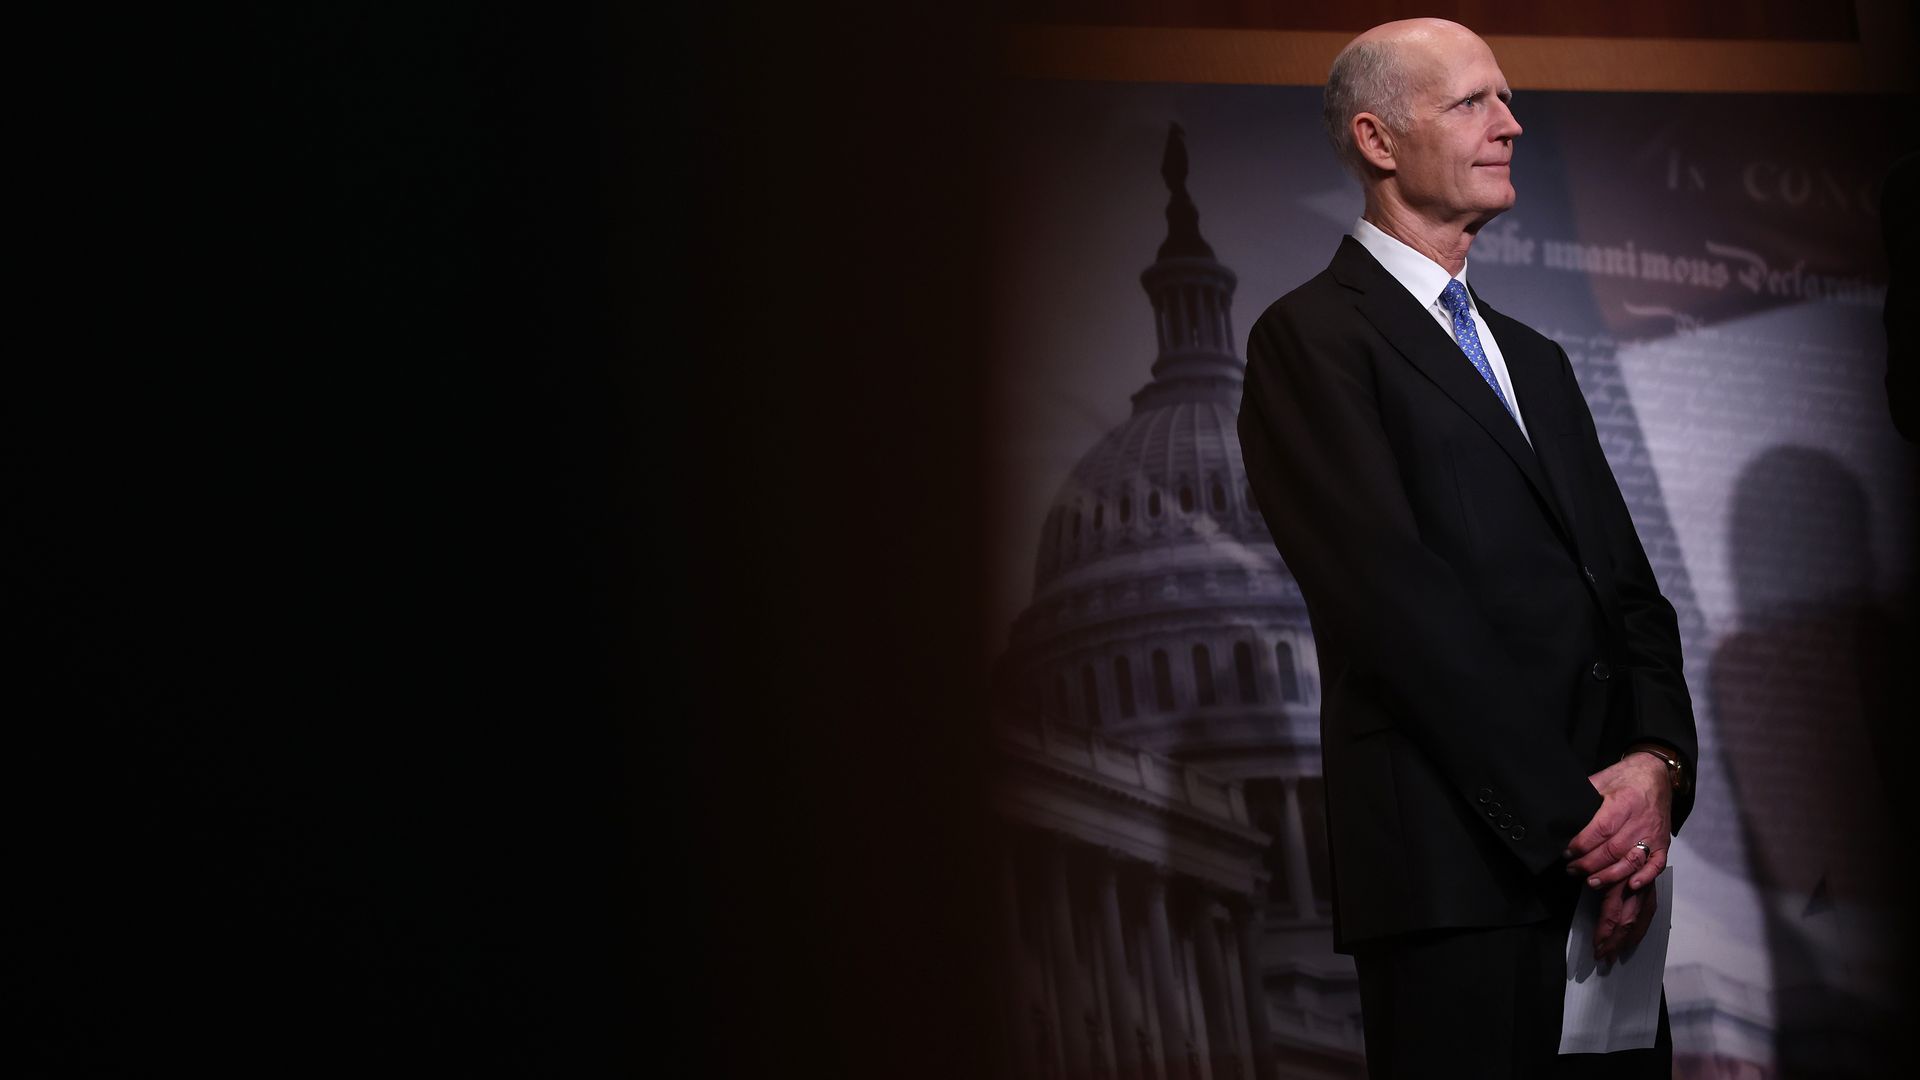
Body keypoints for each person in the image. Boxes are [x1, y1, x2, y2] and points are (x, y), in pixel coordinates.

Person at [1234, 19, 1698, 1078]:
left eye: (1507, 98)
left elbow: (1627, 593)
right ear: (1378, 139)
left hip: (1614, 877)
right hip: (1460, 882)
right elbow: (1396, 609)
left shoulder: (1534, 357)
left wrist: (1657, 771)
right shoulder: (1307, 340)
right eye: (1473, 103)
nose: (1511, 124)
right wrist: (1581, 824)